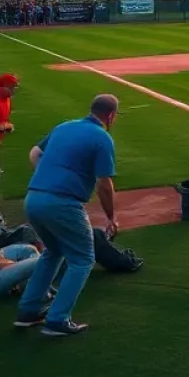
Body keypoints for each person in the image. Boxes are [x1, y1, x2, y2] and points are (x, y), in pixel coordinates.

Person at [14, 93, 120, 337]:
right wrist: (111, 217)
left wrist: (50, 176)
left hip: (34, 199)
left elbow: (34, 153)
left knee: (53, 251)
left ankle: (28, 311)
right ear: (111, 116)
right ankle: (57, 319)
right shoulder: (102, 137)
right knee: (82, 259)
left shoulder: (64, 126)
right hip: (62, 204)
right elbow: (104, 184)